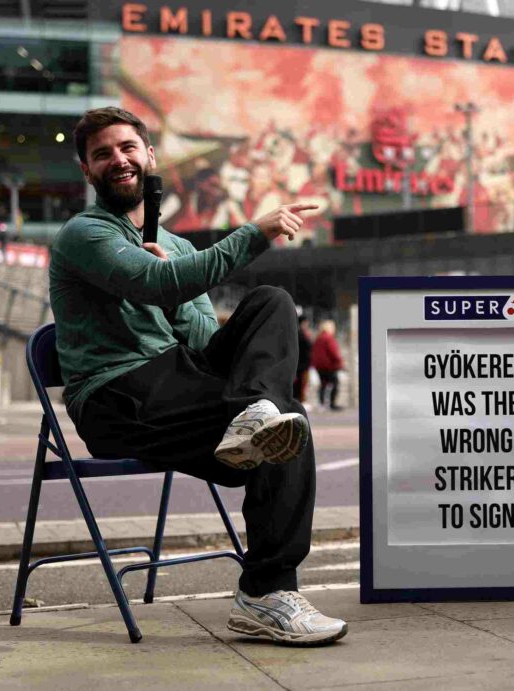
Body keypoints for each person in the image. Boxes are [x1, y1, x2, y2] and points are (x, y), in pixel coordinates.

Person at [51, 106, 346, 645]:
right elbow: (153, 285)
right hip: (116, 395)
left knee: (272, 306)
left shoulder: (180, 246)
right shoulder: (84, 234)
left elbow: (203, 342)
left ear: (149, 156)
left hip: (177, 378)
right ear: (87, 169)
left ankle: (252, 421)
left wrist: (177, 285)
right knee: (288, 421)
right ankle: (267, 592)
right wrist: (250, 235)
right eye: (102, 154)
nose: (118, 159)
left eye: (127, 148)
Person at [311, 320, 343, 411]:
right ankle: (332, 404)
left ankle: (321, 403)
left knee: (323, 385)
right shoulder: (329, 338)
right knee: (335, 384)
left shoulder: (318, 338)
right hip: (330, 366)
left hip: (319, 366)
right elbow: (334, 352)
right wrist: (340, 362)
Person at [294, 310, 313, 407]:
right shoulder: (301, 335)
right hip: (302, 364)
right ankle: (300, 401)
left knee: (301, 383)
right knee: (301, 383)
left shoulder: (299, 333)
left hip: (301, 363)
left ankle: (300, 400)